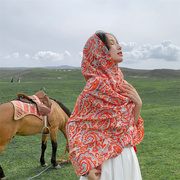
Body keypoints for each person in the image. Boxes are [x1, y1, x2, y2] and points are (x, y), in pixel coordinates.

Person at [66, 30, 144, 180]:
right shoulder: (95, 85)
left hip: (127, 157)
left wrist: (138, 104)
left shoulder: (122, 84)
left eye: (117, 43)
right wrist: (85, 167)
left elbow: (128, 129)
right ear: (99, 52)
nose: (119, 47)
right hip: (104, 163)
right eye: (112, 44)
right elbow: (74, 126)